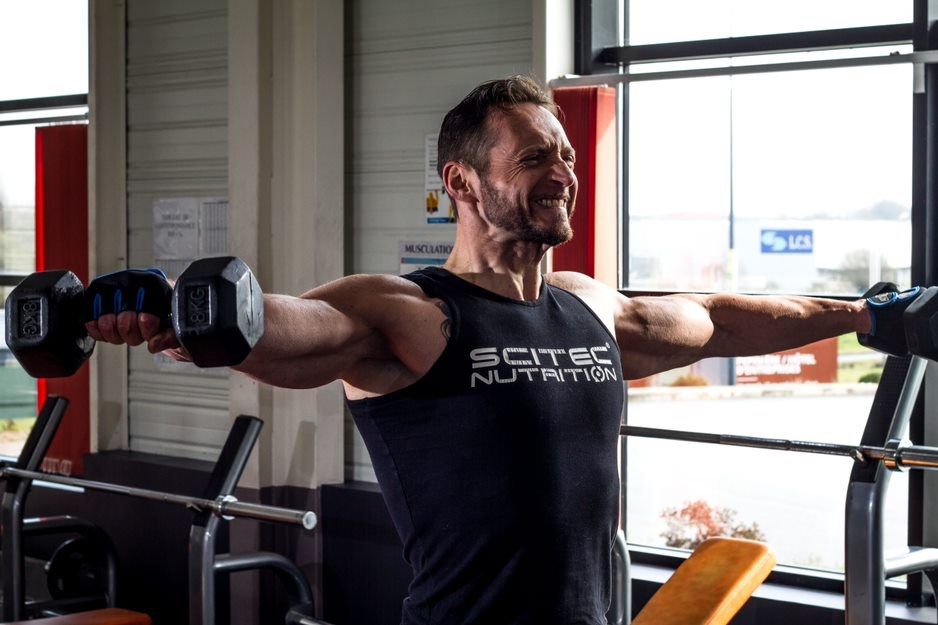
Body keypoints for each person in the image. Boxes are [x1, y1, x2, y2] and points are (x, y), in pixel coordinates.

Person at [88, 76, 877, 625]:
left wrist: (865, 315)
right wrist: (185, 310)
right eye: (534, 159)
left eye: (565, 156)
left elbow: (719, 320)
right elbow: (294, 327)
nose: (562, 174)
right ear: (461, 183)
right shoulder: (412, 313)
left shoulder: (589, 306)